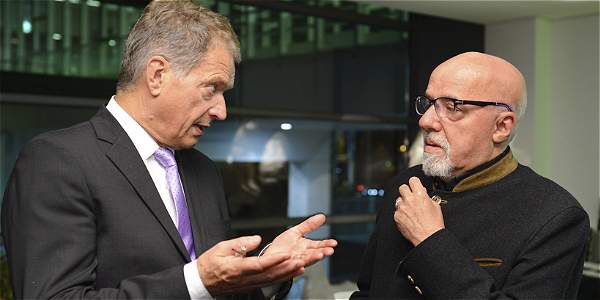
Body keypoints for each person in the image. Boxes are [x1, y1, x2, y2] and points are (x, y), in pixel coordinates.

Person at [0, 1, 337, 299]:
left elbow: (216, 288)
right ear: (157, 74)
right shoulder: (58, 161)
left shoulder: (202, 170)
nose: (222, 111)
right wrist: (195, 281)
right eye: (212, 88)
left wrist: (264, 272)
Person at [351, 52, 590, 299]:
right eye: (428, 103)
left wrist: (431, 240)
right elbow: (370, 291)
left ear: (501, 127)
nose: (426, 121)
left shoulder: (555, 216)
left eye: (453, 107)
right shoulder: (405, 184)